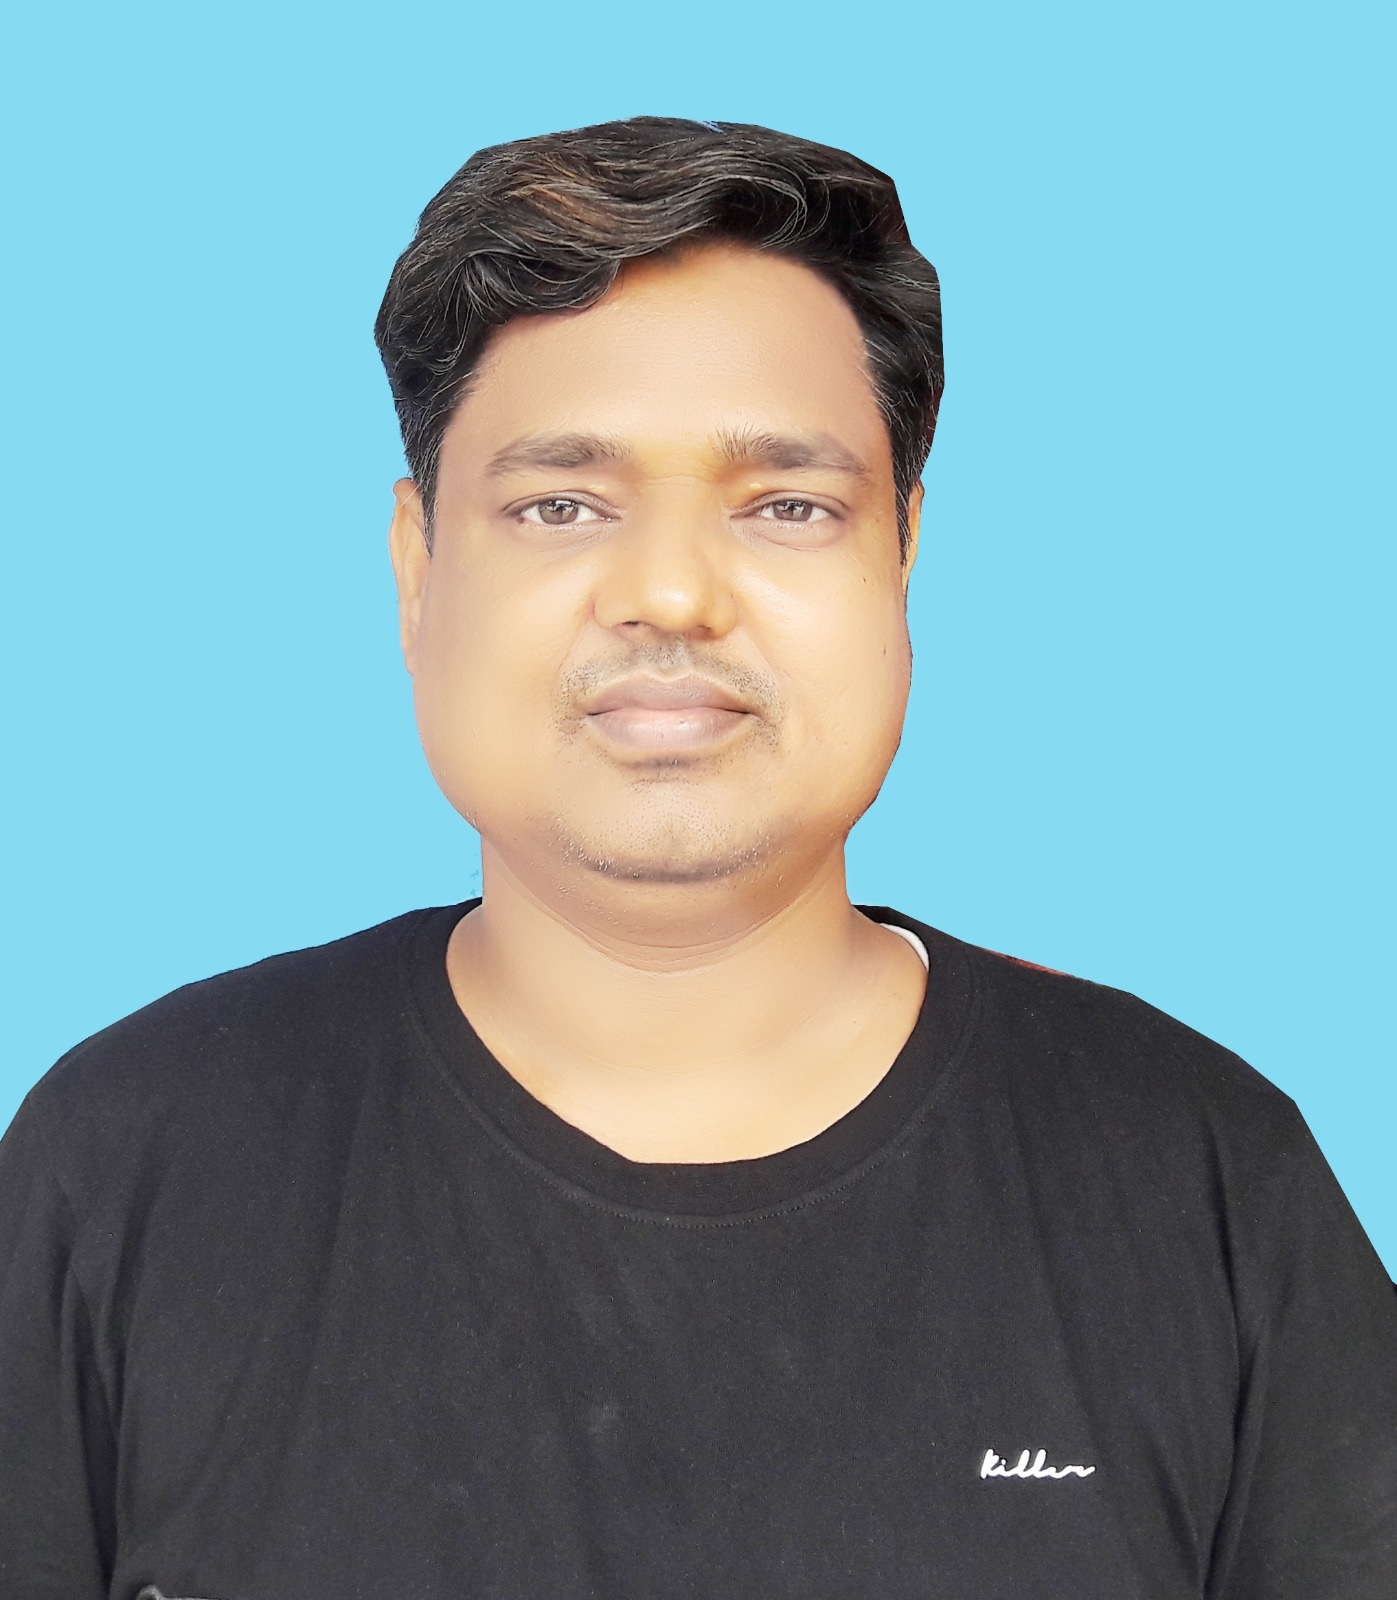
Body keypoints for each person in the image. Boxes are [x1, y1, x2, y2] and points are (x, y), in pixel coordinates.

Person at [1, 116, 1393, 1600]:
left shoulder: (1201, 1183)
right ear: (418, 572)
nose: (668, 592)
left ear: (902, 555)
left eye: (787, 505)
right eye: (560, 505)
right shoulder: (125, 1168)